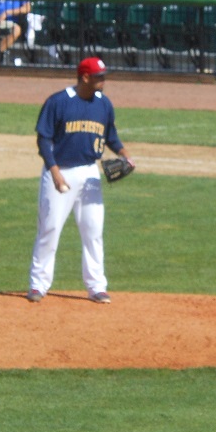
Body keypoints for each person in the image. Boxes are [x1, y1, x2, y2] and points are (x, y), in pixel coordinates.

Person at [26, 56, 132, 305]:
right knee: (50, 229)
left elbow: (111, 137)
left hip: (90, 173)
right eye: (99, 76)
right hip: (60, 171)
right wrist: (54, 172)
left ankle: (97, 287)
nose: (103, 80)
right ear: (85, 77)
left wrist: (125, 154)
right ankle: (38, 284)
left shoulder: (103, 103)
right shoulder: (58, 102)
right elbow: (43, 140)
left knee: (93, 230)